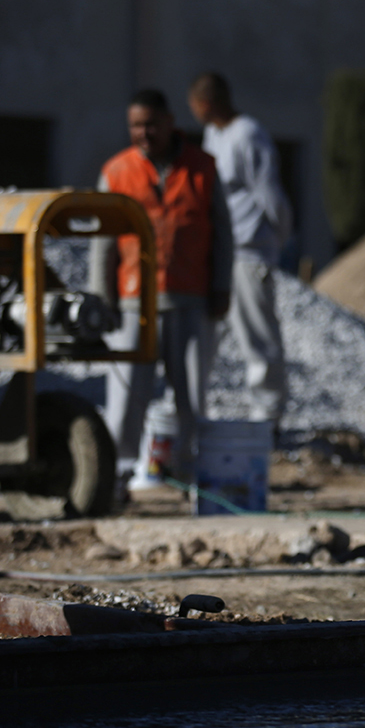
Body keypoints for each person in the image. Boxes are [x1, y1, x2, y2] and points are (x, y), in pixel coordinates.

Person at [91, 88, 234, 487]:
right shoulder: (117, 172)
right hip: (134, 303)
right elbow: (102, 243)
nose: (144, 132)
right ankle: (117, 475)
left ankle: (187, 471)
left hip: (190, 299)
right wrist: (103, 299)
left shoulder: (203, 168)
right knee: (125, 399)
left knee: (190, 397)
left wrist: (222, 286)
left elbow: (222, 232)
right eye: (136, 125)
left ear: (170, 122)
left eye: (151, 124)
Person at [188, 72, 292, 428]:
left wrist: (274, 239)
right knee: (206, 333)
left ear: (205, 103)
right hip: (219, 251)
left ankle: (268, 415)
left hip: (249, 251)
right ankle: (193, 408)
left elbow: (269, 194)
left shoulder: (248, 135)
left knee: (257, 334)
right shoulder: (213, 136)